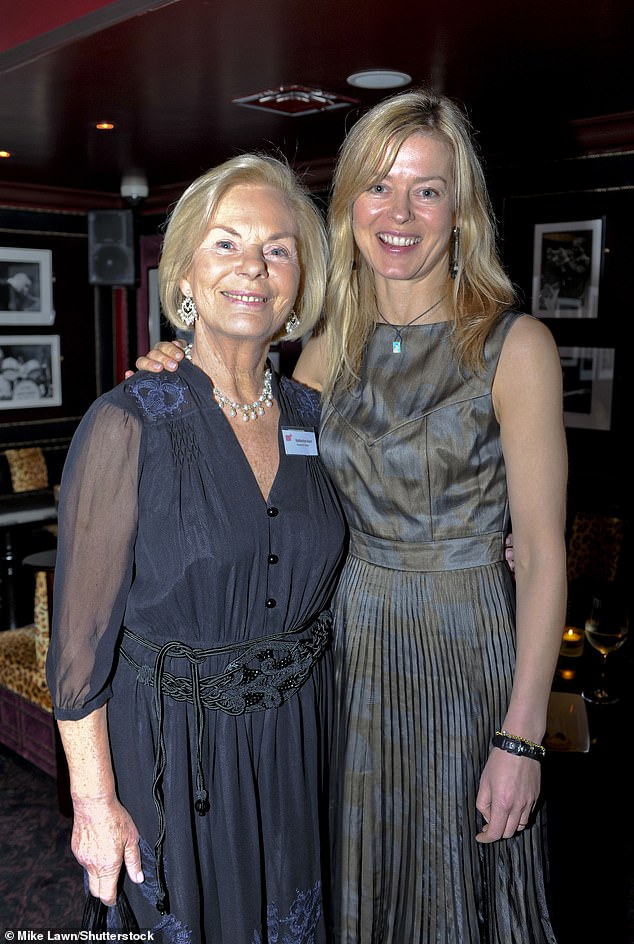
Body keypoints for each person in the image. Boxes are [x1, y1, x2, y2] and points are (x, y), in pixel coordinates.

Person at [137, 87, 568, 944]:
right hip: (348, 654)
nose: (399, 211)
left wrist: (521, 738)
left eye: (427, 188)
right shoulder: (327, 349)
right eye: (378, 185)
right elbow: (246, 432)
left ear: (461, 210)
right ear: (350, 208)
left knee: (459, 890)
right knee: (352, 879)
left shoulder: (513, 347)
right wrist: (178, 360)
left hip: (465, 648)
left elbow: (547, 556)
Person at [46, 153, 348, 943]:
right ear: (182, 273)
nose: (253, 265)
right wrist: (94, 804)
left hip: (293, 750)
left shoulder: (313, 418)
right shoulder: (128, 421)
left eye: (277, 248)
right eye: (226, 243)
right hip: (173, 758)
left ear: (298, 284)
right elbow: (78, 648)